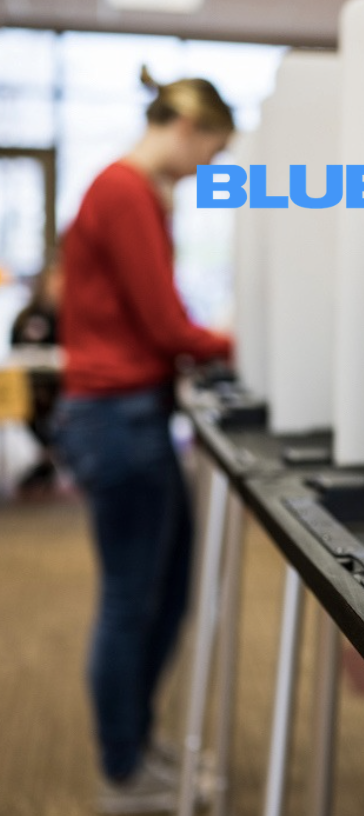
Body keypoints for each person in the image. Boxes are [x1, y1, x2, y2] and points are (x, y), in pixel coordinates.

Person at [53, 67, 234, 814]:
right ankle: (122, 771)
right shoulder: (126, 192)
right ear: (187, 129)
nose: (204, 173)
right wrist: (233, 341)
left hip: (122, 413)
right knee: (134, 600)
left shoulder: (125, 191)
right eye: (210, 155)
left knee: (162, 593)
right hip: (117, 417)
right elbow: (164, 326)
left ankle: (136, 741)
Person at [10, 258, 63, 491]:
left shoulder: (65, 317)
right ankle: (47, 457)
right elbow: (15, 349)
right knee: (24, 404)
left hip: (62, 384)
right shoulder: (24, 317)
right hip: (30, 384)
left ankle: (49, 458)